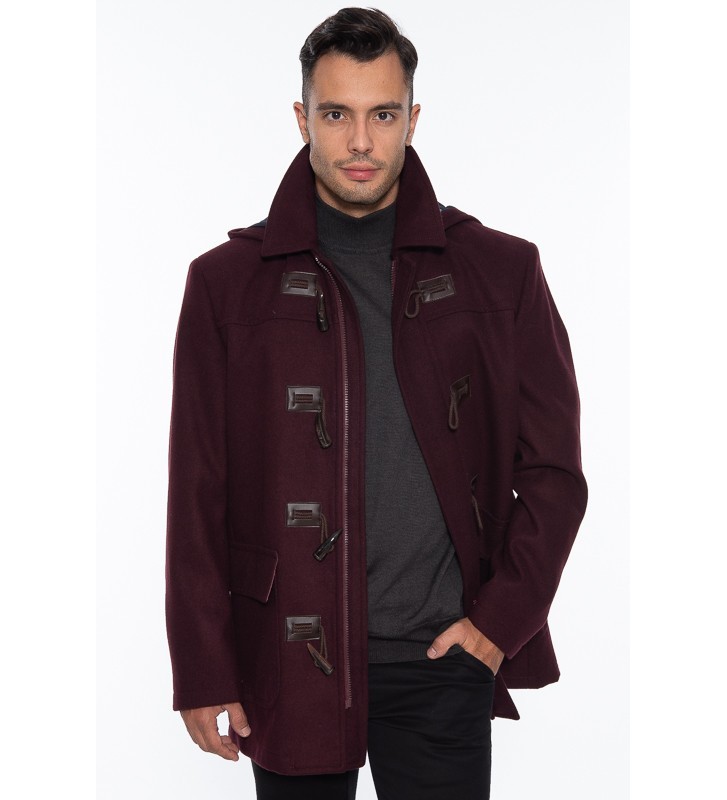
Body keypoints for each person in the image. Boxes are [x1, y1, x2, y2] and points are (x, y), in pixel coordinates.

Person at [165, 8, 587, 799]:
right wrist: (202, 667)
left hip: (443, 657)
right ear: (302, 120)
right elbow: (196, 491)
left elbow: (554, 475)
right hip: (285, 660)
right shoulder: (226, 284)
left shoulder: (501, 272)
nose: (360, 141)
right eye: (336, 115)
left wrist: (497, 624)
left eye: (382, 115)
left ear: (412, 120)